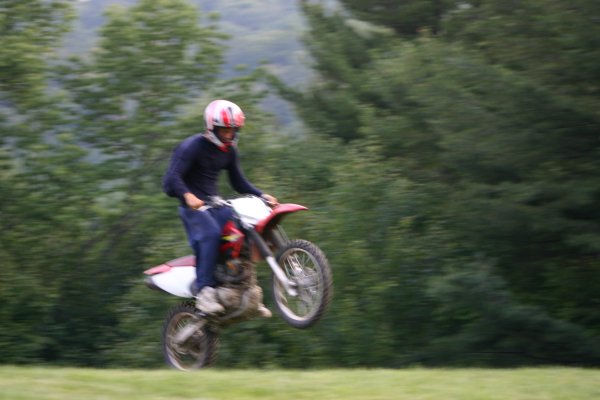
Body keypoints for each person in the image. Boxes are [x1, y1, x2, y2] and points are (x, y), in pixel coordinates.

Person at [163, 99, 278, 315]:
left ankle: (247, 290)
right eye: (225, 130)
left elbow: (239, 182)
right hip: (193, 210)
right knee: (211, 234)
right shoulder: (192, 147)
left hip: (216, 206)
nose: (229, 134)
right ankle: (204, 293)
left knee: (245, 229)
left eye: (233, 130)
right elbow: (170, 180)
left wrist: (261, 195)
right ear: (212, 127)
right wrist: (188, 196)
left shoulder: (230, 151)